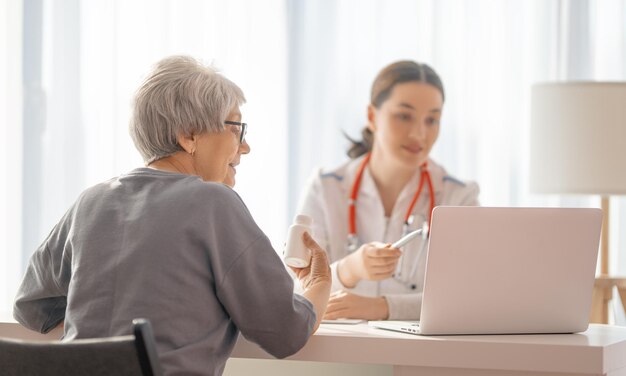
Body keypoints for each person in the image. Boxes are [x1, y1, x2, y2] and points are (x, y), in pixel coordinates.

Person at [13, 55, 331, 376]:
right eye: (236, 128)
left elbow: (30, 307)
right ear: (189, 134)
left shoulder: (91, 201)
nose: (244, 147)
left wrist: (104, 331)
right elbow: (285, 332)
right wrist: (319, 284)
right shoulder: (213, 203)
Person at [297, 61, 479, 321]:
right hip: (336, 351)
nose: (419, 133)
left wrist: (383, 307)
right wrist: (350, 269)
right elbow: (296, 292)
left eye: (432, 120)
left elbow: (470, 298)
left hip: (421, 355)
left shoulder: (459, 197)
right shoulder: (325, 188)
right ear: (372, 117)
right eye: (404, 116)